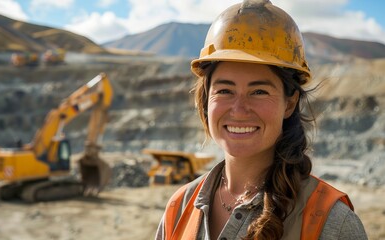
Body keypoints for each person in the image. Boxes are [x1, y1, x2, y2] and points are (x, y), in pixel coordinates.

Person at [155, 0, 368, 239]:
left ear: (289, 103)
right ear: (205, 101)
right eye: (225, 90)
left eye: (259, 92)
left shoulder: (332, 222)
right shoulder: (180, 207)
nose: (239, 109)